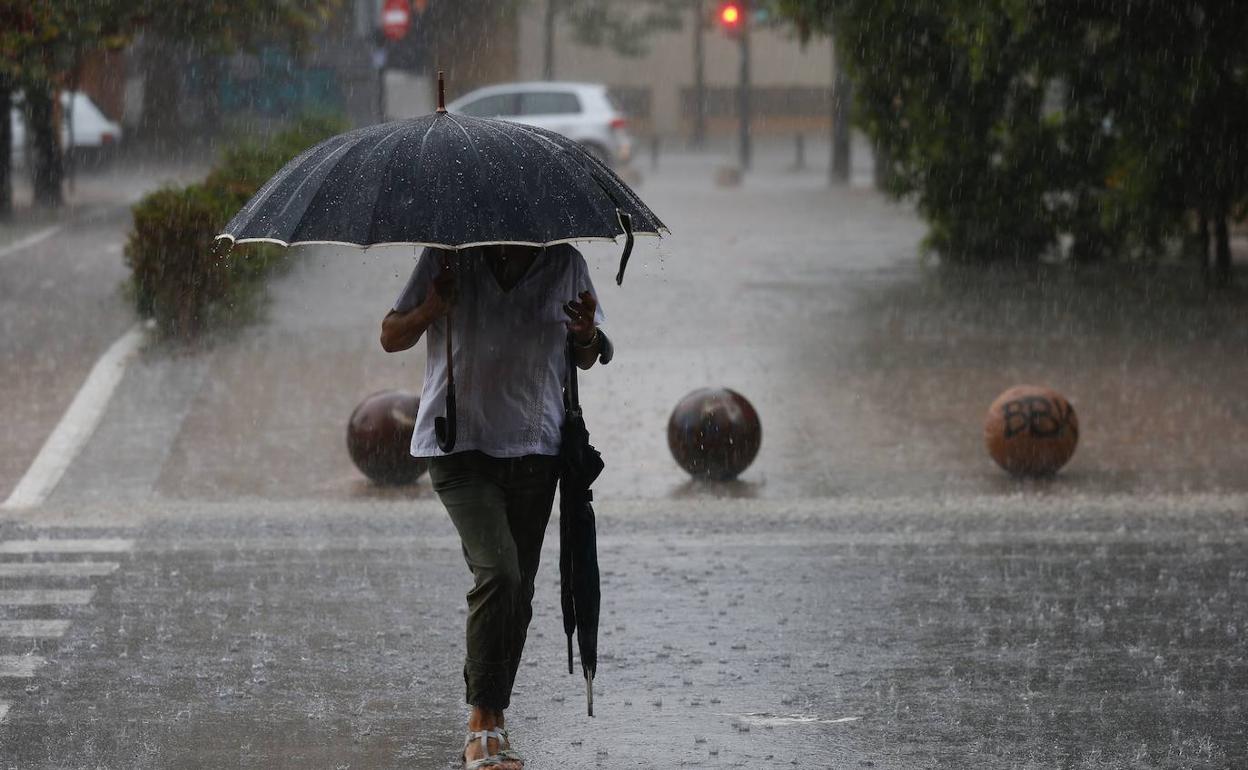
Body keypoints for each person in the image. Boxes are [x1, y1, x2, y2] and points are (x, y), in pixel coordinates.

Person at [380, 243, 606, 770]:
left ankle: (494, 720)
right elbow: (390, 335)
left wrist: (587, 334)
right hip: (460, 447)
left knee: (519, 592)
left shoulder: (564, 261)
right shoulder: (446, 256)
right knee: (499, 573)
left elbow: (588, 354)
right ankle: (481, 722)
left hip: (535, 448)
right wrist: (432, 310)